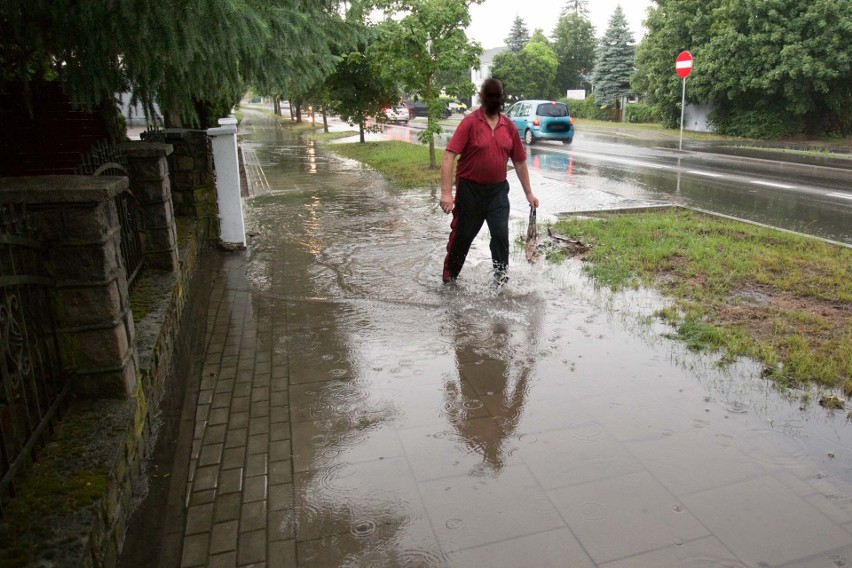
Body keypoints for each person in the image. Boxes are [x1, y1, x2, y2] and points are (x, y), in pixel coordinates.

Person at [440, 78, 539, 284]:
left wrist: (529, 193)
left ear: (501, 99)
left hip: (497, 193)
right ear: (483, 98)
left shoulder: (508, 126)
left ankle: (501, 282)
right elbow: (449, 156)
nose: (494, 100)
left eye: (497, 96)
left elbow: (519, 162)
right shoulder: (470, 123)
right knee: (463, 237)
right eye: (490, 96)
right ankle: (450, 280)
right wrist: (447, 193)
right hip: (470, 192)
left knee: (501, 236)